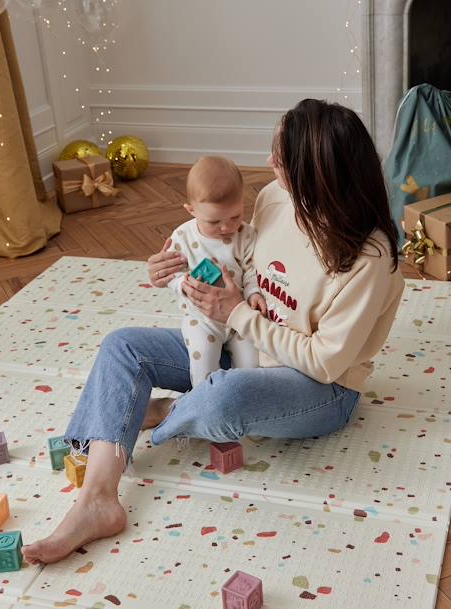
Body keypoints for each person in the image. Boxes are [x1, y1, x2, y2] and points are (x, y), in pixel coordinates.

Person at [22, 99, 405, 565]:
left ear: (313, 172)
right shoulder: (275, 198)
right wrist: (167, 267)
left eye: (280, 159)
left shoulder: (368, 256)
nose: (268, 164)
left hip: (319, 387)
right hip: (242, 345)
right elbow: (228, 256)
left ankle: (153, 410)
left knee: (225, 394)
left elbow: (326, 362)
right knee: (123, 346)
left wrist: (239, 313)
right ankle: (98, 500)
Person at [167, 155, 266, 387]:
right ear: (191, 210)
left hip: (239, 314)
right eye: (213, 222)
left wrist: (253, 293)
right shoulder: (182, 236)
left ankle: (241, 399)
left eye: (235, 216)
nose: (226, 227)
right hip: (202, 318)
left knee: (252, 365)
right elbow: (172, 273)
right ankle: (203, 401)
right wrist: (183, 284)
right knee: (203, 364)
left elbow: (251, 268)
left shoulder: (246, 235)